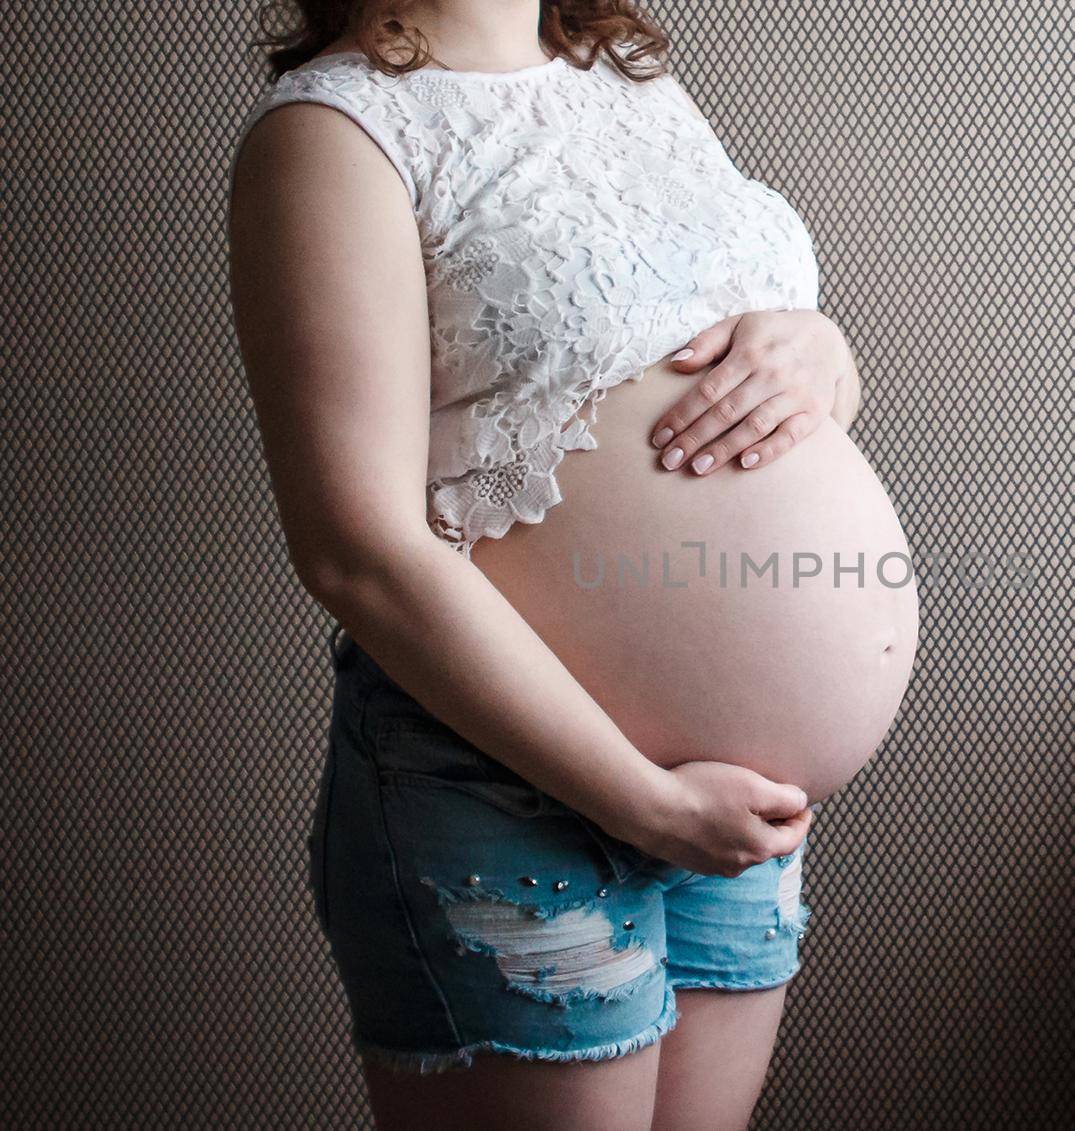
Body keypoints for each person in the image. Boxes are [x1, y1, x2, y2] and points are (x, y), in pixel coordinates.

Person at [227, 2, 919, 1127]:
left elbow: (732, 352)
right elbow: (356, 551)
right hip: (510, 794)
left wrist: (825, 355)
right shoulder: (335, 134)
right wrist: (644, 804)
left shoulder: (626, 81)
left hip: (733, 819)